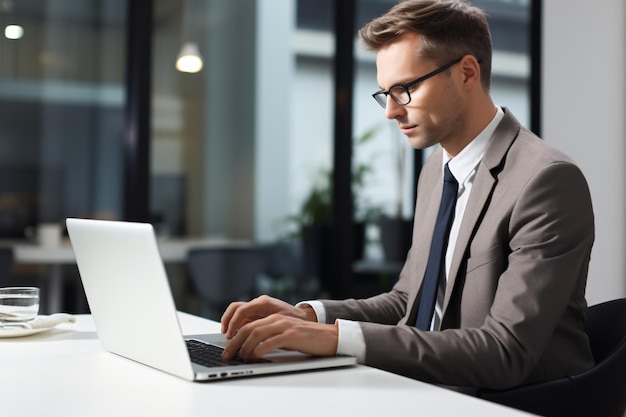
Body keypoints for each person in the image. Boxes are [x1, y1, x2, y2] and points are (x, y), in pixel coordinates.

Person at [221, 0, 595, 394]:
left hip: (517, 401)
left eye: (406, 89)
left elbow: (505, 352)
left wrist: (332, 339)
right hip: (434, 385)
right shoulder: (437, 170)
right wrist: (309, 316)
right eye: (386, 93)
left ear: (467, 72)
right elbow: (408, 301)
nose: (391, 112)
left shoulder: (546, 181)